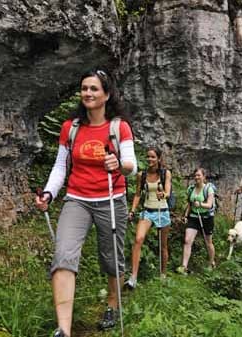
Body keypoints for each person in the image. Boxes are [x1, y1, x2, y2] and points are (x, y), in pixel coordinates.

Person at [35, 68, 137, 337]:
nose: (88, 93)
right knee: (63, 255)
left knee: (111, 259)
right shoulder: (71, 128)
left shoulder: (118, 127)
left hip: (111, 199)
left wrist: (119, 165)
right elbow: (60, 166)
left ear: (106, 94)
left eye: (94, 89)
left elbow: (131, 165)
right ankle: (64, 330)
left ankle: (112, 304)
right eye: (84, 89)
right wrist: (49, 193)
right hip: (77, 199)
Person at [125, 147, 172, 288]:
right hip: (148, 211)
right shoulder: (142, 175)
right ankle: (133, 277)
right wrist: (132, 210)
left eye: (152, 157)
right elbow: (138, 194)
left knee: (163, 246)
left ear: (158, 158)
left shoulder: (165, 173)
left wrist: (163, 194)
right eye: (148, 157)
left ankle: (163, 274)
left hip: (162, 211)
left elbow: (168, 191)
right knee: (138, 239)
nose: (149, 159)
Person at [177, 168, 216, 274]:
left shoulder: (209, 189)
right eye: (195, 175)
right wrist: (185, 215)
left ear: (204, 177)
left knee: (208, 242)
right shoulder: (191, 189)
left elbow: (209, 205)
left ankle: (211, 262)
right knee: (187, 240)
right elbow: (189, 204)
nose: (196, 177)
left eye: (199, 175)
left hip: (207, 217)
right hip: (194, 216)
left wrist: (200, 204)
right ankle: (184, 266)